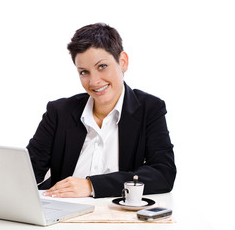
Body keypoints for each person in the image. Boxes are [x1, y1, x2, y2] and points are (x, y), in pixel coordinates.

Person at [26, 23, 176, 198]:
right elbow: (27, 170)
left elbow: (163, 174)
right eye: (84, 72)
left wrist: (91, 185)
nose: (94, 81)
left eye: (102, 66)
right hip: (61, 213)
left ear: (123, 62)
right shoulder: (59, 112)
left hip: (117, 214)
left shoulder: (149, 109)